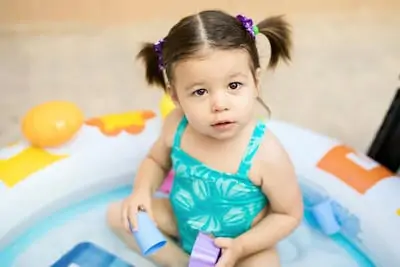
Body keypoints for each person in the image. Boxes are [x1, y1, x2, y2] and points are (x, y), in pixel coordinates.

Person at [107, 10, 303, 267]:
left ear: (255, 82)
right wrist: (141, 192)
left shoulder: (265, 153)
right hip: (182, 221)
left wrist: (242, 246)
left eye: (233, 86)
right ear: (175, 96)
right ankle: (180, 262)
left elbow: (288, 214)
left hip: (242, 244)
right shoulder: (177, 125)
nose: (219, 104)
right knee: (117, 216)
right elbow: (156, 161)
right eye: (200, 91)